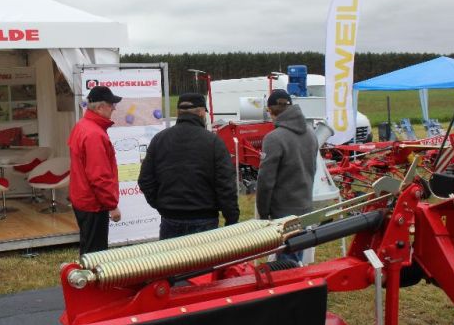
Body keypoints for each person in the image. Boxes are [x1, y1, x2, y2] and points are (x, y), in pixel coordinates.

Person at [138, 92, 239, 239]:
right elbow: (226, 185)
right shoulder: (213, 142)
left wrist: (162, 205)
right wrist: (231, 218)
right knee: (204, 262)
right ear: (201, 112)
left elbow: (145, 180)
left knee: (173, 262)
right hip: (203, 220)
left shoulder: (159, 139)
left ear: (179, 112)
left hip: (171, 219)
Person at [256, 89, 318, 264]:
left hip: (282, 213)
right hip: (305, 206)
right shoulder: (311, 133)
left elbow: (266, 181)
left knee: (285, 264)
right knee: (296, 256)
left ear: (272, 110)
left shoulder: (273, 138)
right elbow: (312, 169)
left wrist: (263, 213)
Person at [68, 86, 122, 255]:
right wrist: (112, 205)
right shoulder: (94, 134)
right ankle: (91, 281)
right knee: (95, 255)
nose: (114, 108)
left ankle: (85, 279)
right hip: (93, 204)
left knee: (88, 248)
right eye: (111, 104)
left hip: (83, 198)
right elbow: (99, 176)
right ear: (100, 107)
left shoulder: (82, 126)